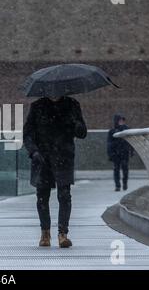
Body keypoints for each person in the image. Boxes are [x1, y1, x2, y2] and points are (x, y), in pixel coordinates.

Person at [24, 96, 87, 248]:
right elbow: (28, 133)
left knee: (64, 195)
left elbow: (82, 132)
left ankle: (62, 234)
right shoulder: (37, 106)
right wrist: (33, 152)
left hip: (64, 157)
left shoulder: (72, 105)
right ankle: (45, 233)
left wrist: (76, 123)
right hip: (42, 157)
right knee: (42, 196)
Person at [107, 114, 133, 192]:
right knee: (116, 170)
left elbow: (131, 142)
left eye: (122, 120)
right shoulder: (112, 131)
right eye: (120, 120)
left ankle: (125, 184)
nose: (121, 122)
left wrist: (131, 151)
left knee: (125, 169)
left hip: (125, 153)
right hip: (116, 154)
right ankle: (117, 186)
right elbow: (109, 143)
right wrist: (110, 154)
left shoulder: (127, 130)